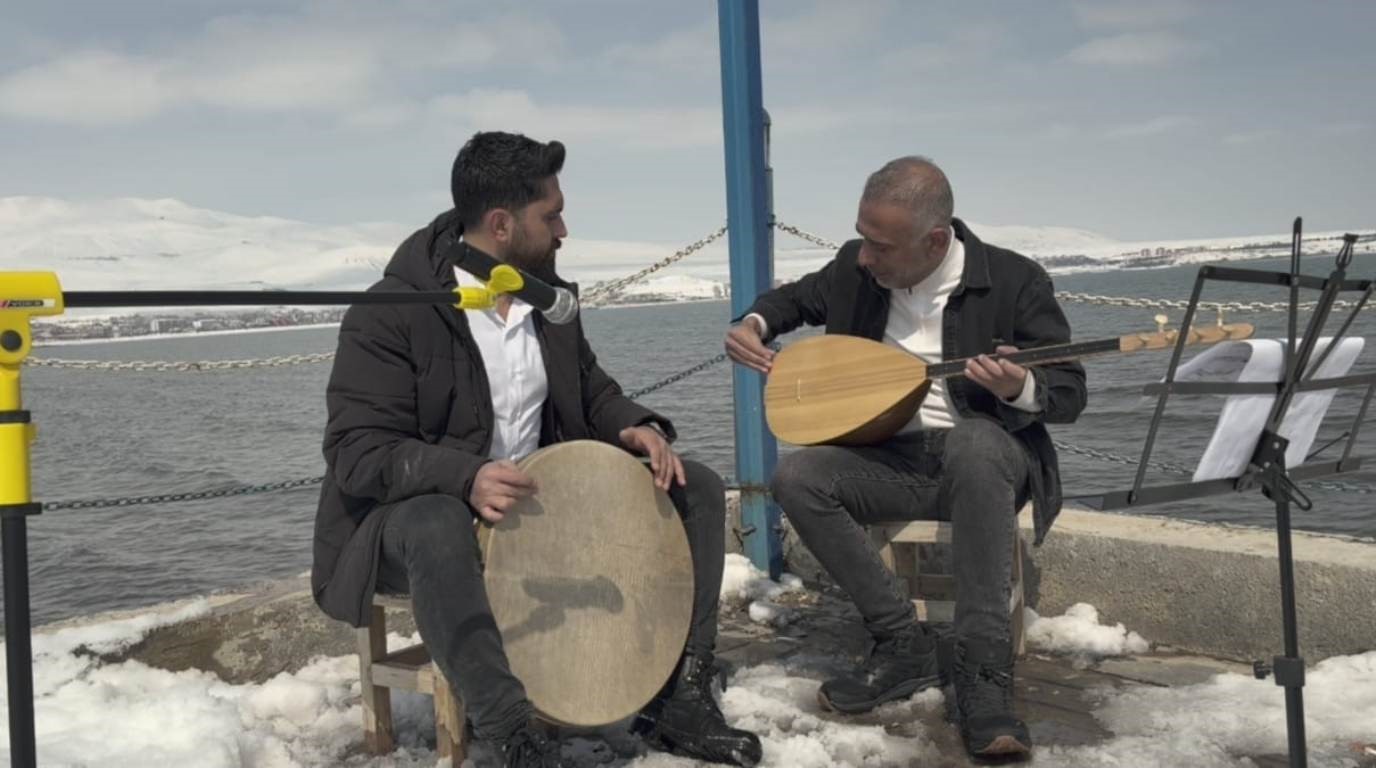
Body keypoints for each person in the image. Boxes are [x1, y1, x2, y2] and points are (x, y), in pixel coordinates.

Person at [312, 131, 762, 768]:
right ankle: (513, 733)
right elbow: (356, 452)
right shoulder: (390, 311)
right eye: (550, 215)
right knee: (437, 521)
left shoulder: (548, 297)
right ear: (501, 224)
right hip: (411, 519)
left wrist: (633, 424)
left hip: (530, 500)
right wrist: (466, 477)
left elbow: (588, 387)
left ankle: (678, 698)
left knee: (697, 487)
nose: (564, 228)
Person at [724, 156, 1086, 760]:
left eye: (880, 246)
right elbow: (792, 301)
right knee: (799, 474)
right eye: (863, 238)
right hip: (893, 462)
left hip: (989, 467)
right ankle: (902, 643)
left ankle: (983, 675)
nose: (865, 256)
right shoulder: (854, 268)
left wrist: (1015, 389)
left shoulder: (1016, 280)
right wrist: (753, 322)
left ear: (935, 240)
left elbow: (1070, 391)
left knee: (974, 441)